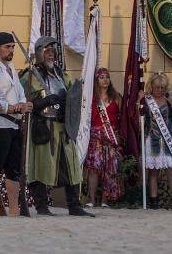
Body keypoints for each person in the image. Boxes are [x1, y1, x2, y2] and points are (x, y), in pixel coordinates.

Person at [21, 36, 93, 217]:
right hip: (43, 126)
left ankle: (74, 206)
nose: (50, 55)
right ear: (39, 53)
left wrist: (68, 96)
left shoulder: (60, 74)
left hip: (63, 126)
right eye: (47, 51)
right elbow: (24, 101)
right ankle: (42, 206)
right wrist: (44, 101)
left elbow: (73, 93)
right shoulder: (29, 75)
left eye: (52, 51)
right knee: (40, 167)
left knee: (72, 166)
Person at [0, 32, 31, 217]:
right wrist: (11, 108)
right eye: (7, 46)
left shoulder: (11, 69)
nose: (11, 50)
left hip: (16, 125)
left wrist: (24, 104)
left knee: (14, 170)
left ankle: (14, 208)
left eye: (12, 47)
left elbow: (19, 92)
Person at [140, 72, 172, 211]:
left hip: (169, 139)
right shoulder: (146, 100)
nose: (159, 90)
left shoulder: (170, 99)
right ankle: (154, 202)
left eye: (162, 87)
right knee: (153, 171)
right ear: (151, 87)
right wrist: (138, 102)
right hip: (151, 139)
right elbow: (139, 119)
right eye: (157, 87)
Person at [84, 67, 124, 208]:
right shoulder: (92, 97)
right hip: (95, 137)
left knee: (109, 168)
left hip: (111, 137)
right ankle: (92, 199)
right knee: (94, 169)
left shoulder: (116, 96)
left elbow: (122, 118)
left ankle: (105, 200)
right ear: (96, 80)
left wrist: (119, 137)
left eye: (107, 77)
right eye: (101, 77)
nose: (105, 79)